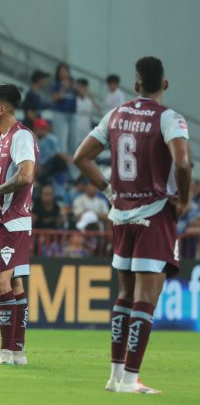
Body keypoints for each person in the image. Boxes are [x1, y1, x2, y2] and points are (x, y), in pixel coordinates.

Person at [73, 56, 191, 394]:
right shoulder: (169, 118)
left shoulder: (116, 114)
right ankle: (130, 379)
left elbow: (81, 157)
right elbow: (182, 161)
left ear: (136, 84)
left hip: (122, 215)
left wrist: (110, 191)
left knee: (124, 295)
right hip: (154, 215)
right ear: (164, 84)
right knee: (146, 299)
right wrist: (182, 200)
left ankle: (114, 376)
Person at [0, 84, 38, 367]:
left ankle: (6, 352)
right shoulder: (5, 138)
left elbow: (26, 176)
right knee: (13, 283)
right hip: (1, 220)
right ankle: (16, 353)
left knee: (0, 282)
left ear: (2, 108)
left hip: (12, 220)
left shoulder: (21, 136)